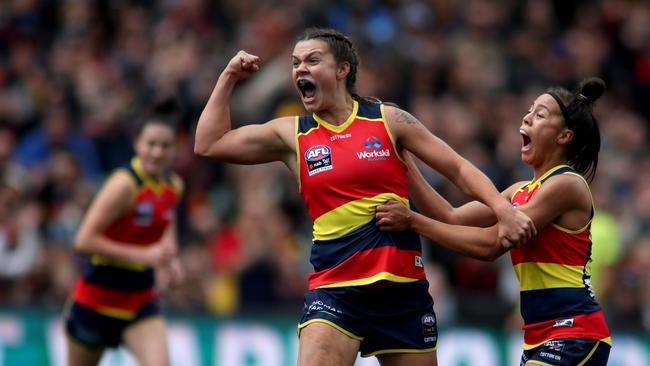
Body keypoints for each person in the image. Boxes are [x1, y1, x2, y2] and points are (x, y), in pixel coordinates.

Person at [194, 27, 534, 366]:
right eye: (295, 62)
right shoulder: (293, 133)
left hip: (403, 293)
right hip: (336, 292)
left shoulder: (388, 119)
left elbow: (458, 168)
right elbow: (209, 143)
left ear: (342, 70)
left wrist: (503, 210)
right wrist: (228, 76)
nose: (300, 69)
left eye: (313, 60)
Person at [376, 77, 612, 365]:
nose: (527, 117)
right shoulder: (517, 191)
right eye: (529, 110)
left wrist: (413, 222)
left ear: (564, 137)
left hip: (576, 333)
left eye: (540, 114)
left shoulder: (567, 185)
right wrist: (402, 153)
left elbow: (491, 245)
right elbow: (449, 215)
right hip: (539, 337)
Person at [64, 100, 184, 366]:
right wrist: (144, 254)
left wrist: (170, 259)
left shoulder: (173, 185)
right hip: (96, 300)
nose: (157, 152)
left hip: (140, 301)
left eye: (165, 146)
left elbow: (166, 222)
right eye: (150, 144)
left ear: (175, 149)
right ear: (137, 144)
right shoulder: (124, 185)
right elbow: (83, 241)